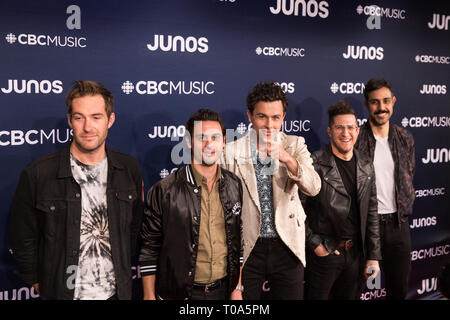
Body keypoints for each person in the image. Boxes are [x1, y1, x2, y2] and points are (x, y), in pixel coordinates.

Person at [9, 80, 144, 300]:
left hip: (116, 293)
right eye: (79, 117)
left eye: (96, 117)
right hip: (62, 294)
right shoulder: (38, 173)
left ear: (110, 120)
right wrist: (36, 279)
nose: (87, 127)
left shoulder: (128, 168)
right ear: (70, 121)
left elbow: (133, 226)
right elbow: (23, 235)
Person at [221, 81, 321, 299]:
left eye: (275, 117)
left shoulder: (295, 145)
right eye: (262, 117)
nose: (269, 125)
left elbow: (314, 187)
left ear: (283, 117)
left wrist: (287, 159)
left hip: (287, 245)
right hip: (247, 249)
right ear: (250, 116)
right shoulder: (230, 152)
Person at [139, 109, 243, 300]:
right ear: (188, 141)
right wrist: (148, 295)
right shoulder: (164, 190)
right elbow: (149, 248)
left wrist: (237, 289)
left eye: (215, 137)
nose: (209, 144)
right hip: (179, 293)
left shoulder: (234, 184)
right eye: (201, 137)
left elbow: (238, 241)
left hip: (223, 291)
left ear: (224, 141)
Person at [303, 100, 381, 300]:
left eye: (350, 128)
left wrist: (373, 256)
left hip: (356, 255)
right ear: (329, 131)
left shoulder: (365, 164)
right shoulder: (315, 163)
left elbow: (372, 212)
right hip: (325, 255)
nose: (345, 134)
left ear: (357, 130)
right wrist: (317, 245)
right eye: (339, 128)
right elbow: (296, 212)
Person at [355, 78, 415, 300]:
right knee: (356, 288)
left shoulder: (405, 138)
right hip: (364, 227)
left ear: (394, 102)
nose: (381, 107)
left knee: (398, 289)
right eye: (375, 102)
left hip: (398, 226)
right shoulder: (356, 139)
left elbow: (408, 175)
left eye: (386, 101)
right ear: (366, 104)